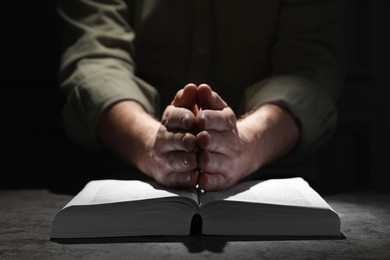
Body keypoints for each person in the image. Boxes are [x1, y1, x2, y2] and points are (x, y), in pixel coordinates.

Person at [57, 0, 346, 191]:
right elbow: (94, 60)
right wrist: (149, 146)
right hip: (122, 177)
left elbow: (311, 65)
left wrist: (247, 145)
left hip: (274, 179)